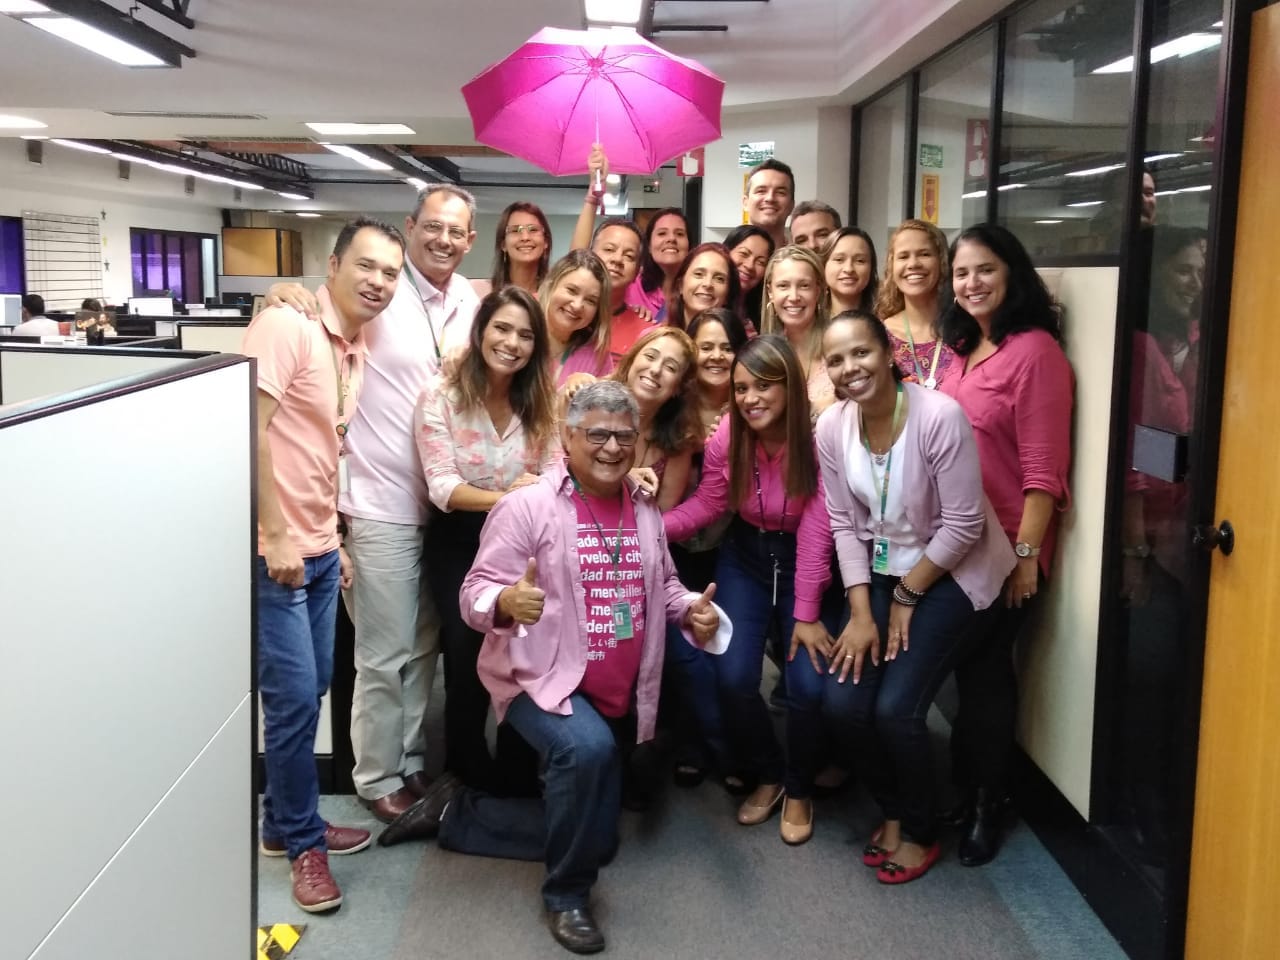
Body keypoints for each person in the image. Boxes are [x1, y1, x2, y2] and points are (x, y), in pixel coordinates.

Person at [378, 380, 729, 956]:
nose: (612, 448)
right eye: (598, 434)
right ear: (568, 437)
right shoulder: (527, 506)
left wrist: (692, 609)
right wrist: (505, 601)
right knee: (585, 752)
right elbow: (473, 592)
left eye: (624, 436)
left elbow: (664, 585)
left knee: (600, 837)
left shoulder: (644, 507)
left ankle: (457, 812)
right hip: (537, 678)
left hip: (615, 683)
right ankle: (567, 895)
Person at [266, 183, 481, 823]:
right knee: (383, 654)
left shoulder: (469, 300)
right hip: (380, 500)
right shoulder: (380, 294)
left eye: (457, 231)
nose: (443, 239)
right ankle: (376, 774)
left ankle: (409, 759)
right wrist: (283, 293)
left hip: (444, 505)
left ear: (470, 241)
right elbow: (320, 311)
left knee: (423, 649)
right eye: (433, 226)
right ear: (412, 227)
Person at [815, 310, 1015, 884]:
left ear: (888, 353)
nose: (851, 368)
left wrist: (907, 593)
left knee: (896, 707)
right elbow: (843, 523)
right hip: (884, 573)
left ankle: (922, 831)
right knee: (843, 702)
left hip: (956, 573)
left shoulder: (938, 416)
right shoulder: (831, 427)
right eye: (836, 360)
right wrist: (860, 612)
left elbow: (965, 524)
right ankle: (895, 808)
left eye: (861, 352)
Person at [242, 217, 406, 912]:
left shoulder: (354, 348)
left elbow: (321, 447)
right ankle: (304, 846)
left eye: (390, 273)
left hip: (315, 548)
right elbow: (245, 429)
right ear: (333, 266)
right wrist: (276, 535)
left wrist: (331, 538)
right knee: (289, 703)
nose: (378, 281)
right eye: (366, 265)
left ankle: (282, 824)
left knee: (309, 694)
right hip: (272, 552)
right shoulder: (287, 326)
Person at [664, 335, 844, 845]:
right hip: (746, 556)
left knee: (808, 688)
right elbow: (709, 503)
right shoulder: (729, 433)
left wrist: (806, 613)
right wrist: (648, 528)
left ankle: (799, 787)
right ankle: (769, 772)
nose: (750, 398)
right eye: (741, 388)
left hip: (807, 561)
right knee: (733, 676)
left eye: (763, 386)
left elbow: (818, 533)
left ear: (790, 386)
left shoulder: (819, 439)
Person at [939, 223, 1074, 866]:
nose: (972, 283)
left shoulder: (1036, 353)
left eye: (985, 269)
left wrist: (1025, 559)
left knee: (988, 674)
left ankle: (989, 803)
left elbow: (1044, 470)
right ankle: (968, 787)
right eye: (962, 272)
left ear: (1012, 273)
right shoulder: (964, 347)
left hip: (1008, 549)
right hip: (957, 541)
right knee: (970, 674)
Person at [415, 286, 558, 794]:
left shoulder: (541, 399)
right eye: (502, 328)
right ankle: (466, 770)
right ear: (480, 332)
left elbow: (554, 471)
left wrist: (527, 496)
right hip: (459, 538)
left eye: (525, 335)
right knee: (467, 650)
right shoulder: (442, 395)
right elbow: (442, 487)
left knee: (524, 646)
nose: (512, 343)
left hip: (525, 541)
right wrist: (509, 497)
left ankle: (519, 766)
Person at [662, 308, 749, 787]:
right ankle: (694, 744)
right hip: (671, 547)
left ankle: (729, 746)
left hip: (728, 544)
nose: (716, 356)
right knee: (683, 653)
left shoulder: (752, 401)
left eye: (727, 347)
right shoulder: (674, 400)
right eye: (706, 347)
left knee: (722, 648)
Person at [609, 326, 700, 511]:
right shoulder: (590, 404)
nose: (656, 370)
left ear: (678, 387)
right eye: (650, 356)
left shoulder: (679, 442)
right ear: (632, 359)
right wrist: (625, 477)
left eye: (670, 367)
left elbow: (663, 515)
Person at [874, 218, 957, 390]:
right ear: (891, 266)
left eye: (924, 254)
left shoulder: (965, 330)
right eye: (903, 256)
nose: (913, 264)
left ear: (942, 262)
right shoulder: (878, 336)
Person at [760, 245, 835, 418]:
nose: (794, 297)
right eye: (783, 286)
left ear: (818, 290)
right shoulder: (761, 354)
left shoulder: (840, 345)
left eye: (804, 286)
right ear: (770, 291)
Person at [541, 249, 614, 386]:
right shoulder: (522, 331)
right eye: (572, 290)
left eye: (590, 301)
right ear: (551, 284)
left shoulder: (598, 357)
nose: (577, 305)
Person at [589, 217, 652, 363]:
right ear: (590, 255)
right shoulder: (563, 312)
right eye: (609, 249)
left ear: (637, 271)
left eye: (629, 256)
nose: (617, 259)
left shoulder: (648, 333)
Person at [472, 201, 552, 299]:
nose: (525, 237)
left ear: (546, 241)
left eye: (533, 230)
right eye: (515, 230)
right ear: (503, 244)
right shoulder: (478, 292)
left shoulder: (556, 295)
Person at [660, 242, 740, 330]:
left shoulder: (738, 338)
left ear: (727, 295)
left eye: (719, 279)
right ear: (680, 285)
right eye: (699, 274)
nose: (708, 284)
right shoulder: (656, 337)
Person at [724, 224, 774, 333]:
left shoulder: (763, 313)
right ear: (726, 251)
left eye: (760, 262)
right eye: (744, 254)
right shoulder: (710, 302)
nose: (750, 266)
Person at [823, 226, 879, 316]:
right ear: (823, 266)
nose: (849, 269)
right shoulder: (809, 320)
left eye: (860, 260)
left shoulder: (886, 321)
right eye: (839, 259)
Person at [743, 157, 796, 250]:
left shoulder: (802, 258)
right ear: (745, 202)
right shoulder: (723, 257)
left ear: (792, 205)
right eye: (761, 191)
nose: (770, 198)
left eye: (780, 192)